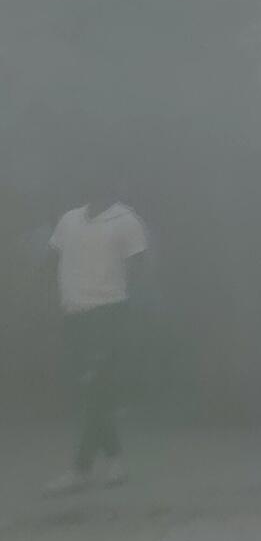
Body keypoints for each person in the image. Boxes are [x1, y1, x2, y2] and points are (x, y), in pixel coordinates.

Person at [45, 186, 149, 494]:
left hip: (108, 312)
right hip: (74, 314)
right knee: (91, 391)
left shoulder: (125, 220)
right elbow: (53, 260)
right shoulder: (69, 220)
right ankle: (115, 460)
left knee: (96, 385)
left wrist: (128, 312)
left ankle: (81, 469)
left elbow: (139, 266)